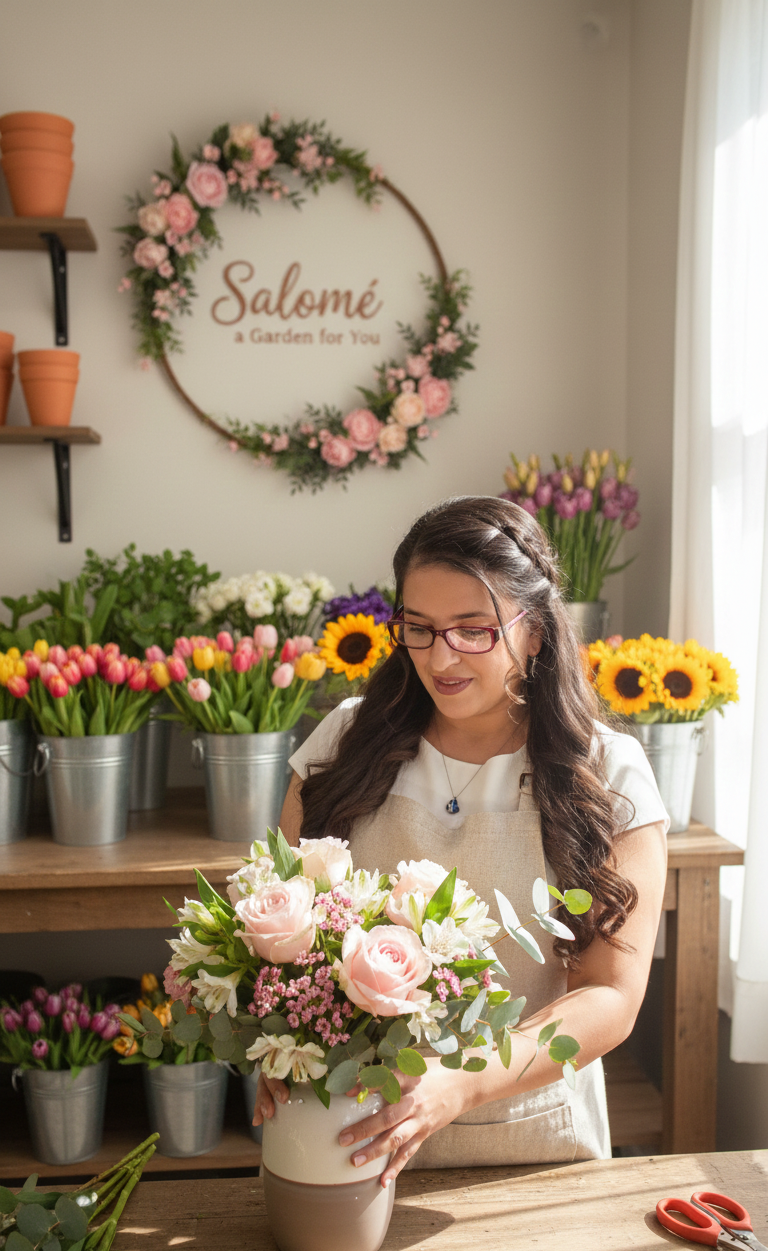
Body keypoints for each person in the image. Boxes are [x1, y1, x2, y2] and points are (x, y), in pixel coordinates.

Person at [252, 495, 668, 1184]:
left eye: (473, 629)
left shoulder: (607, 774)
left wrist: (460, 1083)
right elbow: (281, 943)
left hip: (533, 1150)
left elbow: (610, 998)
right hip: (345, 1139)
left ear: (534, 630)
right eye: (419, 627)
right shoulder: (343, 745)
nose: (441, 655)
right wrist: (275, 1051)